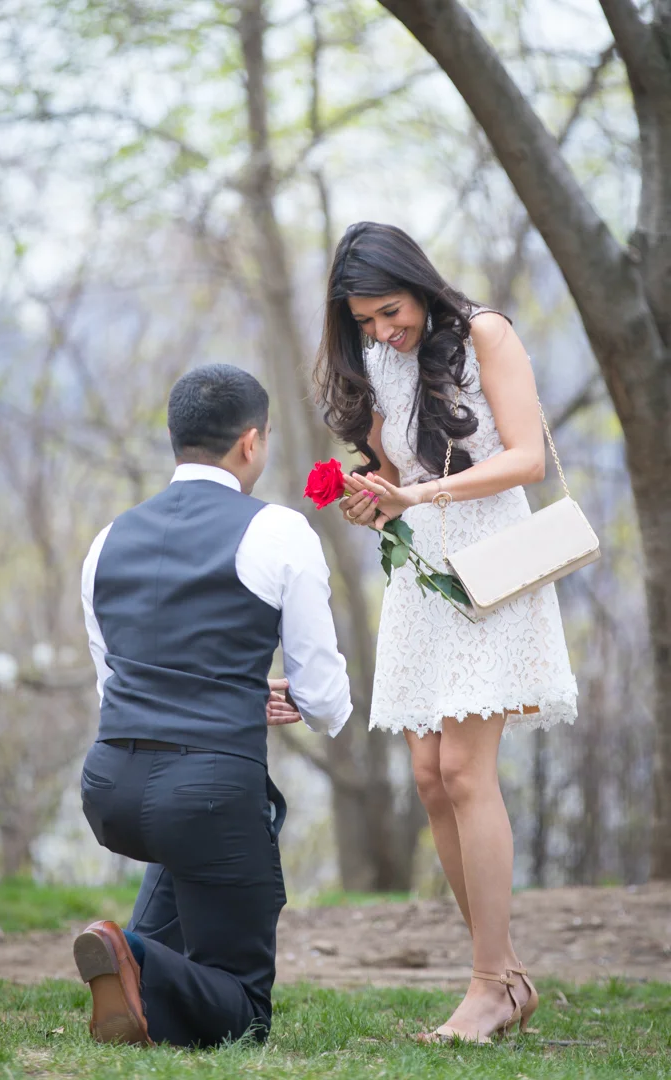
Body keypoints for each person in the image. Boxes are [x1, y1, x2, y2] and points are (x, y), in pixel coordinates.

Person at [314, 221, 578, 1043]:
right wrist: (374, 498)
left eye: (390, 312)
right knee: (430, 776)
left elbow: (527, 458)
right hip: (422, 571)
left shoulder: (484, 333)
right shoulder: (379, 363)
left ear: (418, 286)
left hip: (491, 559)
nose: (383, 332)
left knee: (465, 770)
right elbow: (398, 472)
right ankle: (507, 976)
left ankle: (488, 985)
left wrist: (421, 496)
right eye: (364, 322)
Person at [76, 363, 351, 1049]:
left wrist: (232, 694)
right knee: (246, 1009)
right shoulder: (278, 531)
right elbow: (323, 697)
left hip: (110, 788)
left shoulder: (106, 541)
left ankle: (129, 962)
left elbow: (115, 685)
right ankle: (136, 956)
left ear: (176, 438)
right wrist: (302, 704)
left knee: (186, 837)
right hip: (205, 794)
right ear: (251, 442)